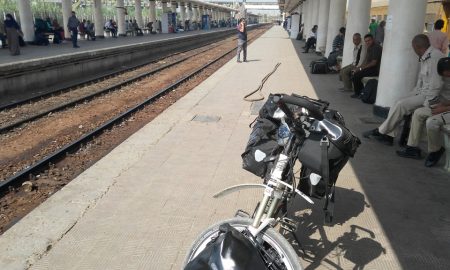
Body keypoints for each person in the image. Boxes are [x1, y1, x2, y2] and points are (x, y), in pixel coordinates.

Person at [363, 34, 445, 146]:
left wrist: (427, 104)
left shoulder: (435, 58)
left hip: (432, 98)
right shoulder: (426, 56)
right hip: (422, 92)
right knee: (398, 101)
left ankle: (381, 131)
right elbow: (421, 82)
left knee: (402, 104)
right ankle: (388, 135)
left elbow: (436, 86)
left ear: (417, 47)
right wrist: (412, 94)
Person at [396, 57, 450, 165]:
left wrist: (442, 109)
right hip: (446, 106)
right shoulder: (445, 77)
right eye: (444, 75)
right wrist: (440, 105)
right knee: (418, 112)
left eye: (447, 74)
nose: (446, 77)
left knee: (432, 122)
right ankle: (412, 148)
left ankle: (436, 150)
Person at [350, 34, 382, 98]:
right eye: (366, 41)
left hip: (375, 69)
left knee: (356, 75)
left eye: (369, 40)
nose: (367, 42)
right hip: (370, 68)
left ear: (372, 39)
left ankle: (358, 93)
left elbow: (373, 63)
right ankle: (362, 92)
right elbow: (365, 60)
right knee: (354, 73)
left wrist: (361, 68)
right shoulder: (369, 47)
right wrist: (358, 68)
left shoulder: (376, 47)